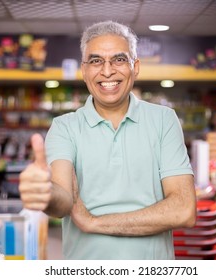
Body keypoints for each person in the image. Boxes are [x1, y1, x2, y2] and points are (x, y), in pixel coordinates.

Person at [19, 20, 196, 260]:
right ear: (84, 71)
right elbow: (62, 201)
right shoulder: (64, 127)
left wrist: (94, 222)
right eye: (95, 61)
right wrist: (45, 192)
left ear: (136, 67)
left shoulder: (164, 120)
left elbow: (183, 210)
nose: (107, 71)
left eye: (119, 59)